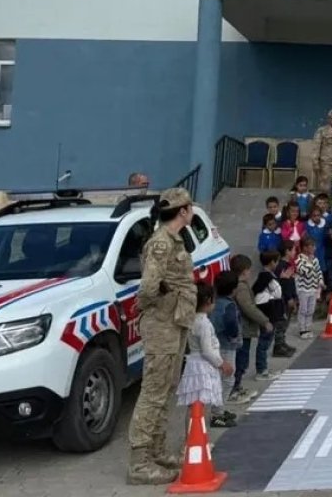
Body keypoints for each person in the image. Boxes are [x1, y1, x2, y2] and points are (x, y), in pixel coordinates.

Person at [126, 188, 199, 485]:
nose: (192, 211)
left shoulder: (175, 239)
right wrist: (153, 307)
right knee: (153, 392)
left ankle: (156, 450)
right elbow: (148, 287)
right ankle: (139, 463)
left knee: (167, 387)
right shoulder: (160, 243)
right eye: (190, 207)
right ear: (182, 211)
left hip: (175, 322)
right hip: (162, 324)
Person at [179, 282, 237, 427]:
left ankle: (190, 436)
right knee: (200, 405)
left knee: (194, 405)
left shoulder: (192, 319)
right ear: (209, 300)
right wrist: (222, 363)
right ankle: (198, 436)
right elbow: (207, 350)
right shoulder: (204, 323)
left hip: (194, 364)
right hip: (202, 367)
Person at [229, 253, 272, 403]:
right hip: (243, 329)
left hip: (243, 328)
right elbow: (248, 307)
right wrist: (264, 321)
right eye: (249, 270)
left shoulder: (239, 285)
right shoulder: (241, 287)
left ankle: (237, 386)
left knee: (241, 359)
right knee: (240, 360)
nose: (250, 273)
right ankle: (233, 390)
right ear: (244, 271)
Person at [210, 273, 242, 424]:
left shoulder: (214, 303)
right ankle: (217, 413)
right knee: (228, 379)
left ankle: (219, 409)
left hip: (215, 344)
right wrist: (234, 335)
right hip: (226, 345)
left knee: (220, 378)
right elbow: (231, 324)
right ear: (234, 289)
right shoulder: (229, 305)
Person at [251, 252, 285, 381]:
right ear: (272, 262)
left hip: (267, 311)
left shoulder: (264, 276)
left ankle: (263, 368)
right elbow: (277, 293)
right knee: (264, 342)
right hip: (269, 312)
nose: (277, 264)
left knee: (265, 341)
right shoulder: (268, 277)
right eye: (276, 261)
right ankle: (262, 370)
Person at [293, 236, 324, 337]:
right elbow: (304, 271)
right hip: (303, 289)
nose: (314, 248)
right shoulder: (299, 259)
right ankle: (302, 329)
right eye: (312, 246)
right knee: (303, 309)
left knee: (311, 309)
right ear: (305, 248)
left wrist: (321, 281)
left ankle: (308, 327)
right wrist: (309, 262)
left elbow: (318, 271)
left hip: (313, 288)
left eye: (314, 246)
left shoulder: (315, 259)